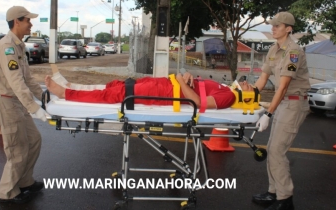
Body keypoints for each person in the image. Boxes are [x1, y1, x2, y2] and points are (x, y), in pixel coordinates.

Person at [0, 6, 49, 204]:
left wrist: (45, 99)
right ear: (17, 21)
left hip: (16, 103)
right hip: (5, 103)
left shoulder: (19, 46)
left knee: (34, 140)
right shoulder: (6, 47)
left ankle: (25, 181)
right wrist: (34, 108)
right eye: (28, 20)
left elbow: (28, 79)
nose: (31, 24)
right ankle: (7, 193)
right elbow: (16, 82)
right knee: (17, 149)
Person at [251, 12, 310, 210]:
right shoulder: (274, 50)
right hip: (283, 103)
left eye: (278, 25)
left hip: (294, 103)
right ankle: (273, 192)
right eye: (272, 25)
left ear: (288, 28)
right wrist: (245, 96)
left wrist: (268, 114)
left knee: (277, 150)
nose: (273, 28)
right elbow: (262, 80)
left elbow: (284, 86)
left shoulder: (294, 52)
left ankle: (285, 200)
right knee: (272, 148)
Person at [45, 71, 256, 110]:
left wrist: (182, 82)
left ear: (247, 96)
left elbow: (199, 104)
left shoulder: (228, 96)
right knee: (120, 84)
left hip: (167, 93)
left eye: (249, 87)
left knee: (119, 94)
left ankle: (66, 94)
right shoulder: (226, 88)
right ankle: (74, 88)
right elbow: (199, 91)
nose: (246, 83)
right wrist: (189, 76)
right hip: (167, 84)